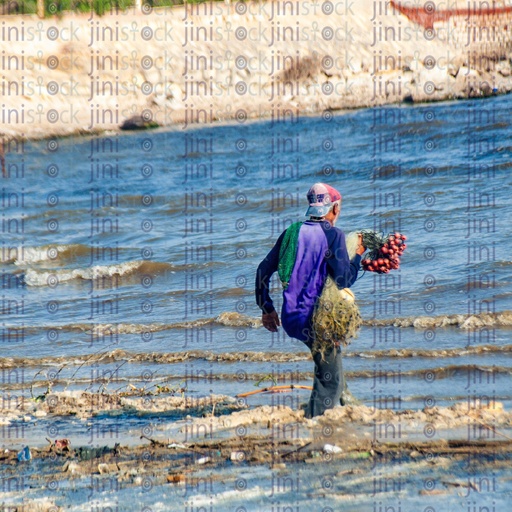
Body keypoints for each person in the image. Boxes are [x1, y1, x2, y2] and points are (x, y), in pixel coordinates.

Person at [255, 183, 365, 418]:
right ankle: (314, 423)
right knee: (330, 381)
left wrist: (267, 308)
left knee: (327, 359)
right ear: (334, 208)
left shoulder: (291, 233)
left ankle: (347, 406)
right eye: (339, 207)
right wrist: (358, 255)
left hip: (291, 318)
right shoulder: (333, 235)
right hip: (318, 319)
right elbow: (344, 278)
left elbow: (263, 269)